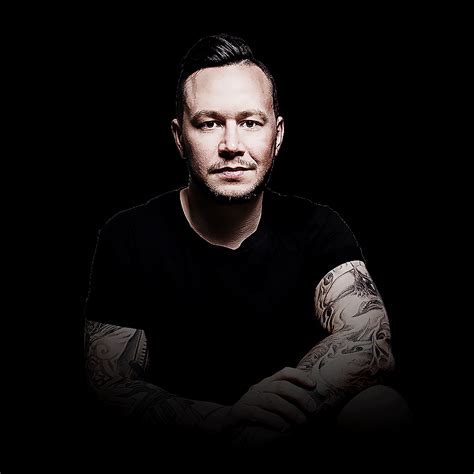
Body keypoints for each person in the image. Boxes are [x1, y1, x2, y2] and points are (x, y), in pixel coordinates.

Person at [83, 33, 412, 451]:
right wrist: (226, 421)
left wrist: (270, 414)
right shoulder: (128, 236)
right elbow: (110, 383)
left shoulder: (317, 226)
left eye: (250, 122)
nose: (231, 145)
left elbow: (370, 338)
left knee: (380, 407)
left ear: (278, 135)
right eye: (209, 123)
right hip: (189, 445)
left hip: (297, 439)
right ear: (179, 137)